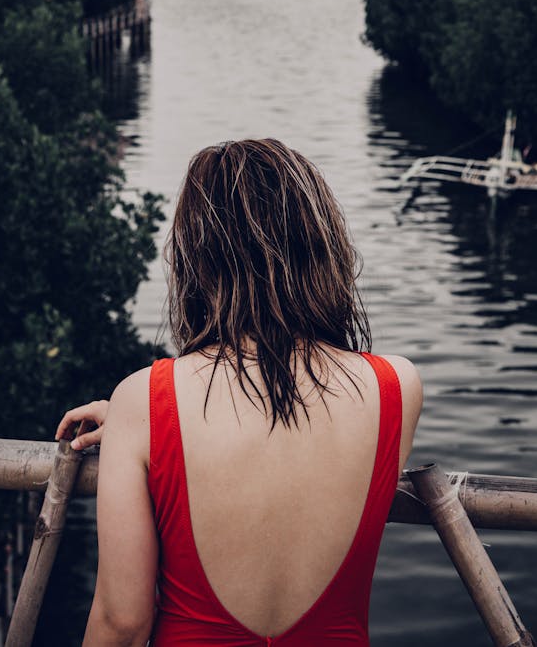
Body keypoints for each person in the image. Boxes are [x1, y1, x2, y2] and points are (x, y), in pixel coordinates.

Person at [57, 138, 423, 646]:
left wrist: (134, 424)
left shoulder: (144, 401)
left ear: (198, 259)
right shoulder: (397, 388)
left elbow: (123, 621)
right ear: (320, 244)